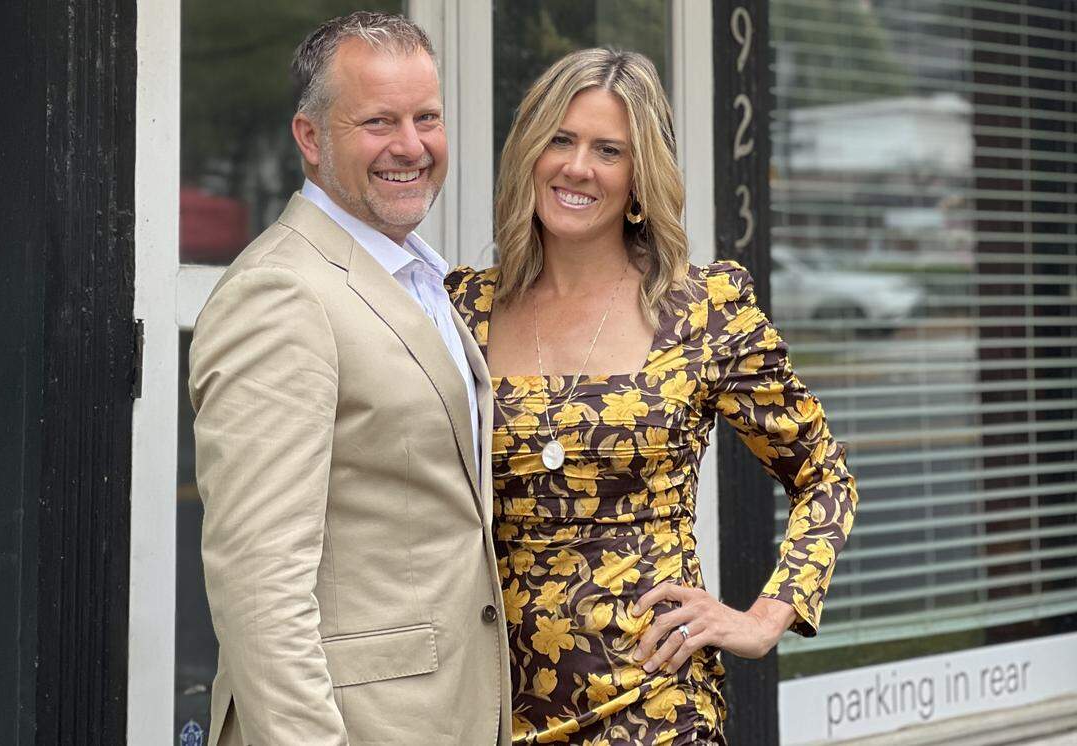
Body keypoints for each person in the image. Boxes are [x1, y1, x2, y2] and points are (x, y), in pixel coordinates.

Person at [447, 48, 857, 744]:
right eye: (561, 139)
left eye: (609, 149)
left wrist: (761, 618)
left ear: (640, 178)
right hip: (484, 711)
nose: (578, 167)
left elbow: (826, 480)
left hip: (656, 709)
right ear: (529, 154)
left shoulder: (701, 310)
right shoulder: (462, 309)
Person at [189, 12, 510, 745]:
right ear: (310, 138)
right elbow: (259, 585)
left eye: (426, 117)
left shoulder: (419, 277)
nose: (411, 145)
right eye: (378, 121)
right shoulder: (281, 294)